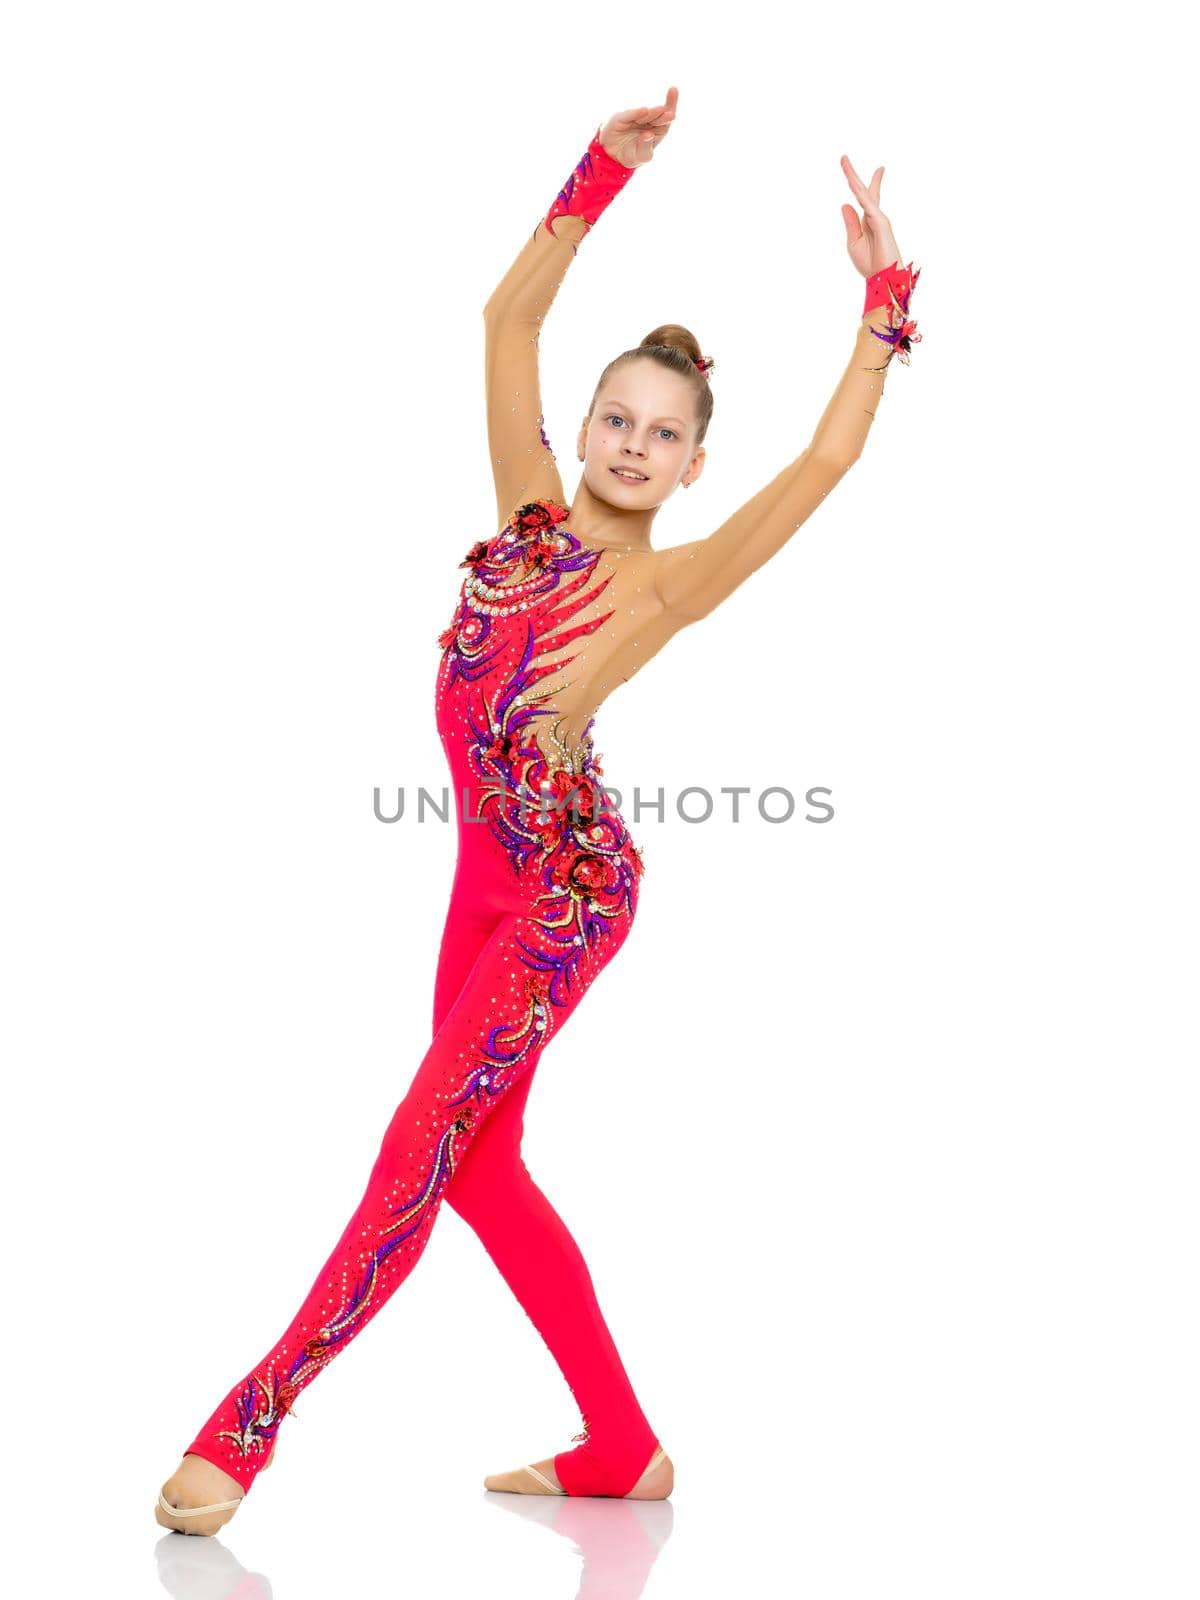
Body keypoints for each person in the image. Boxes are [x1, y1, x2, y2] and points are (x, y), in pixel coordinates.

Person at [156, 84, 922, 1534]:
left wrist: (879, 320)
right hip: (482, 881)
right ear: (581, 429)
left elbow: (823, 464)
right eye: (617, 419)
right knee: (480, 1167)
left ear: (693, 465)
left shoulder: (663, 582)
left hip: (569, 899)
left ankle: (240, 1435)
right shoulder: (525, 518)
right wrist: (595, 175)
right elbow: (507, 322)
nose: (635, 446)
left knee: (419, 1140)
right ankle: (622, 1444)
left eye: (666, 436)